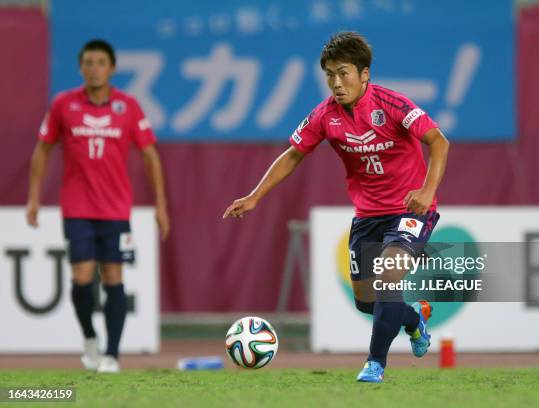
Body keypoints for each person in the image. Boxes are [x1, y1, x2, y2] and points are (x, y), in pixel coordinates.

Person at [224, 31, 449, 382]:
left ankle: (375, 363)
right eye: (329, 74)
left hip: (411, 209)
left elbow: (439, 141)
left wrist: (426, 189)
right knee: (366, 301)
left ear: (364, 74)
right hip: (367, 216)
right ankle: (413, 319)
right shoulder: (324, 116)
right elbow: (294, 154)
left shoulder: (392, 105)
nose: (336, 82)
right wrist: (255, 196)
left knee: (390, 276)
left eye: (343, 73)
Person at [26, 39, 170, 373]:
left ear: (112, 68)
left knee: (114, 279)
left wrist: (161, 205)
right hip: (77, 207)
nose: (94, 68)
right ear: (81, 68)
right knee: (81, 278)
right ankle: (90, 336)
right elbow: (43, 148)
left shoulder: (128, 106)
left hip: (116, 209)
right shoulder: (64, 104)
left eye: (100, 63)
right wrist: (33, 197)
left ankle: (112, 355)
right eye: (88, 63)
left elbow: (150, 154)